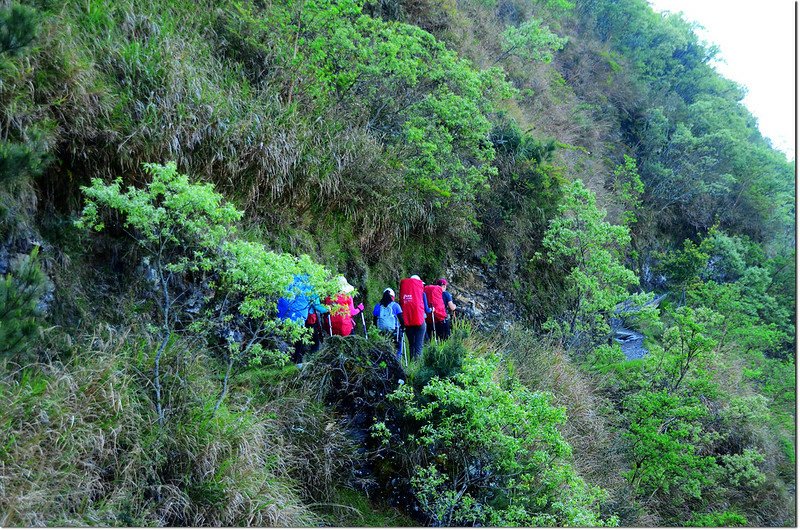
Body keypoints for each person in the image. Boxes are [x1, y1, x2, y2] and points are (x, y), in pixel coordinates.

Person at [276, 275, 329, 364]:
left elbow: (283, 298)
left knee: (286, 337)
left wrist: (279, 316)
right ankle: (298, 362)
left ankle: (283, 360)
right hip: (300, 315)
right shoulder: (311, 286)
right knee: (299, 340)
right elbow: (316, 305)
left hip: (286, 314)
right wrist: (327, 309)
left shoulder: (290, 279)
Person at [398, 274, 430, 359]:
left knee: (411, 345)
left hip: (408, 321)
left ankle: (412, 364)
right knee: (419, 346)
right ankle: (418, 365)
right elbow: (426, 309)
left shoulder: (404, 293)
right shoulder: (422, 294)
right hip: (420, 320)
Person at [373, 287, 404, 358]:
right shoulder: (395, 306)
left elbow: (374, 321)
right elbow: (401, 320)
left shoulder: (377, 306)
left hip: (381, 332)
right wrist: (403, 328)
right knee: (398, 347)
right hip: (394, 332)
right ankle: (397, 360)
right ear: (393, 297)